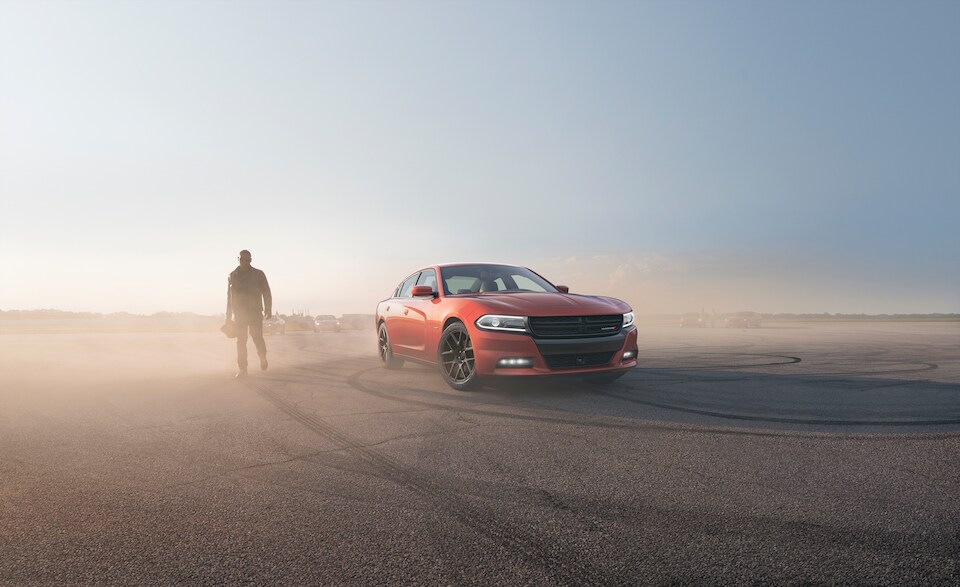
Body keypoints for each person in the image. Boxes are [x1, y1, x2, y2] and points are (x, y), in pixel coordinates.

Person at [225, 249, 272, 378]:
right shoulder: (232, 276)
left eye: (248, 260)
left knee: (257, 337)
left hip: (255, 312)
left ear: (251, 260)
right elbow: (229, 297)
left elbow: (266, 291)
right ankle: (243, 369)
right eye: (243, 259)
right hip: (240, 313)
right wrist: (228, 317)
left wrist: (268, 308)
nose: (246, 262)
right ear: (238, 259)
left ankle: (262, 358)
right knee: (241, 341)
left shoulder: (259, 274)